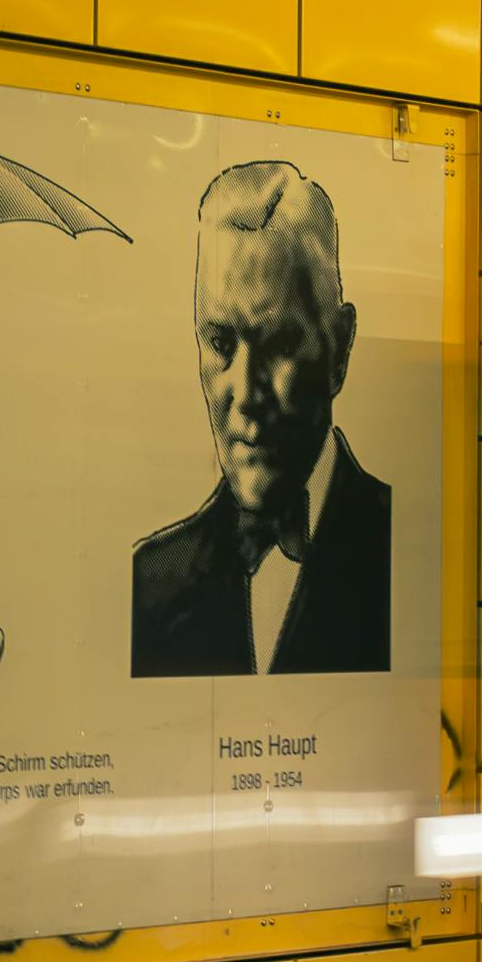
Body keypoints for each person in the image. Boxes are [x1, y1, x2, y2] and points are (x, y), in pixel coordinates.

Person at [131, 161, 391, 678]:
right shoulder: (152, 582)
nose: (245, 394)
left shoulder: (398, 552)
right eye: (221, 343)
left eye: (277, 343)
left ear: (338, 350)